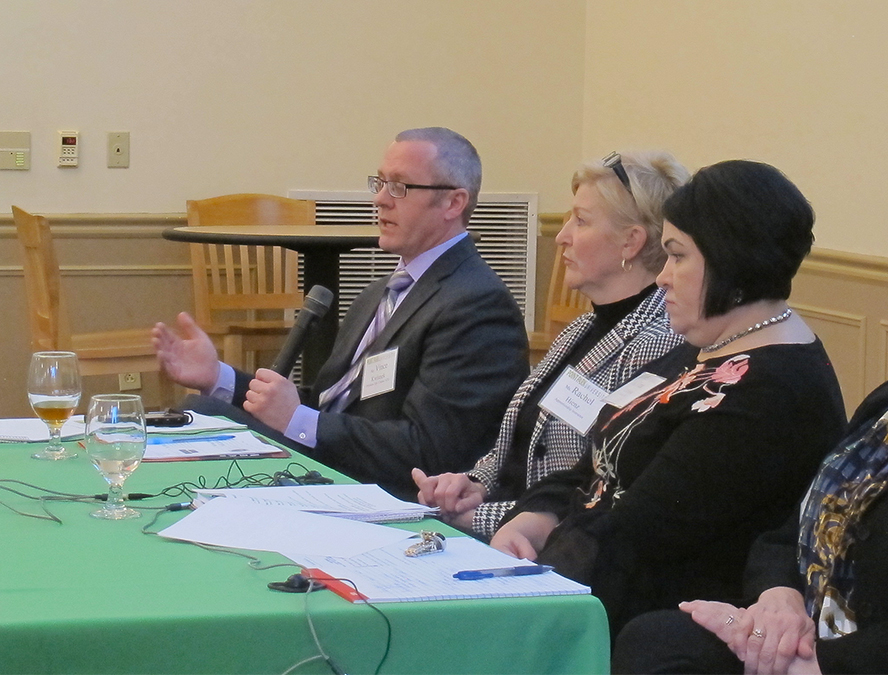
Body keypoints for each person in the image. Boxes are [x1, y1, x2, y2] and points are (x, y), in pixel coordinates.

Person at [612, 227, 888, 674]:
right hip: (807, 628)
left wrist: (812, 664)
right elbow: (790, 527)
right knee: (655, 637)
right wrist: (779, 599)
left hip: (871, 659)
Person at [490, 160, 847, 636]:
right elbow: (600, 457)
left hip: (653, 617)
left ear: (729, 261)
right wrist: (534, 518)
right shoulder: (714, 344)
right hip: (593, 583)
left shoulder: (774, 389)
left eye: (677, 256)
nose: (662, 278)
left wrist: (524, 585)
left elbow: (640, 532)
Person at [152, 127, 528, 500]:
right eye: (379, 183)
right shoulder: (377, 294)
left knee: (200, 415)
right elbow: (326, 405)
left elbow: (432, 452)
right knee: (201, 412)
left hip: (381, 493)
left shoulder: (477, 305)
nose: (380, 199)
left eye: (399, 186)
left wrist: (296, 420)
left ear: (453, 203)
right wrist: (219, 377)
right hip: (333, 467)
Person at [411, 151, 689, 539]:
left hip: (548, 547)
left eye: (581, 221)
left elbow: (596, 486)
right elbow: (519, 442)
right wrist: (472, 487)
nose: (561, 237)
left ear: (631, 242)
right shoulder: (582, 328)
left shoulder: (659, 344)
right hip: (503, 528)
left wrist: (480, 518)